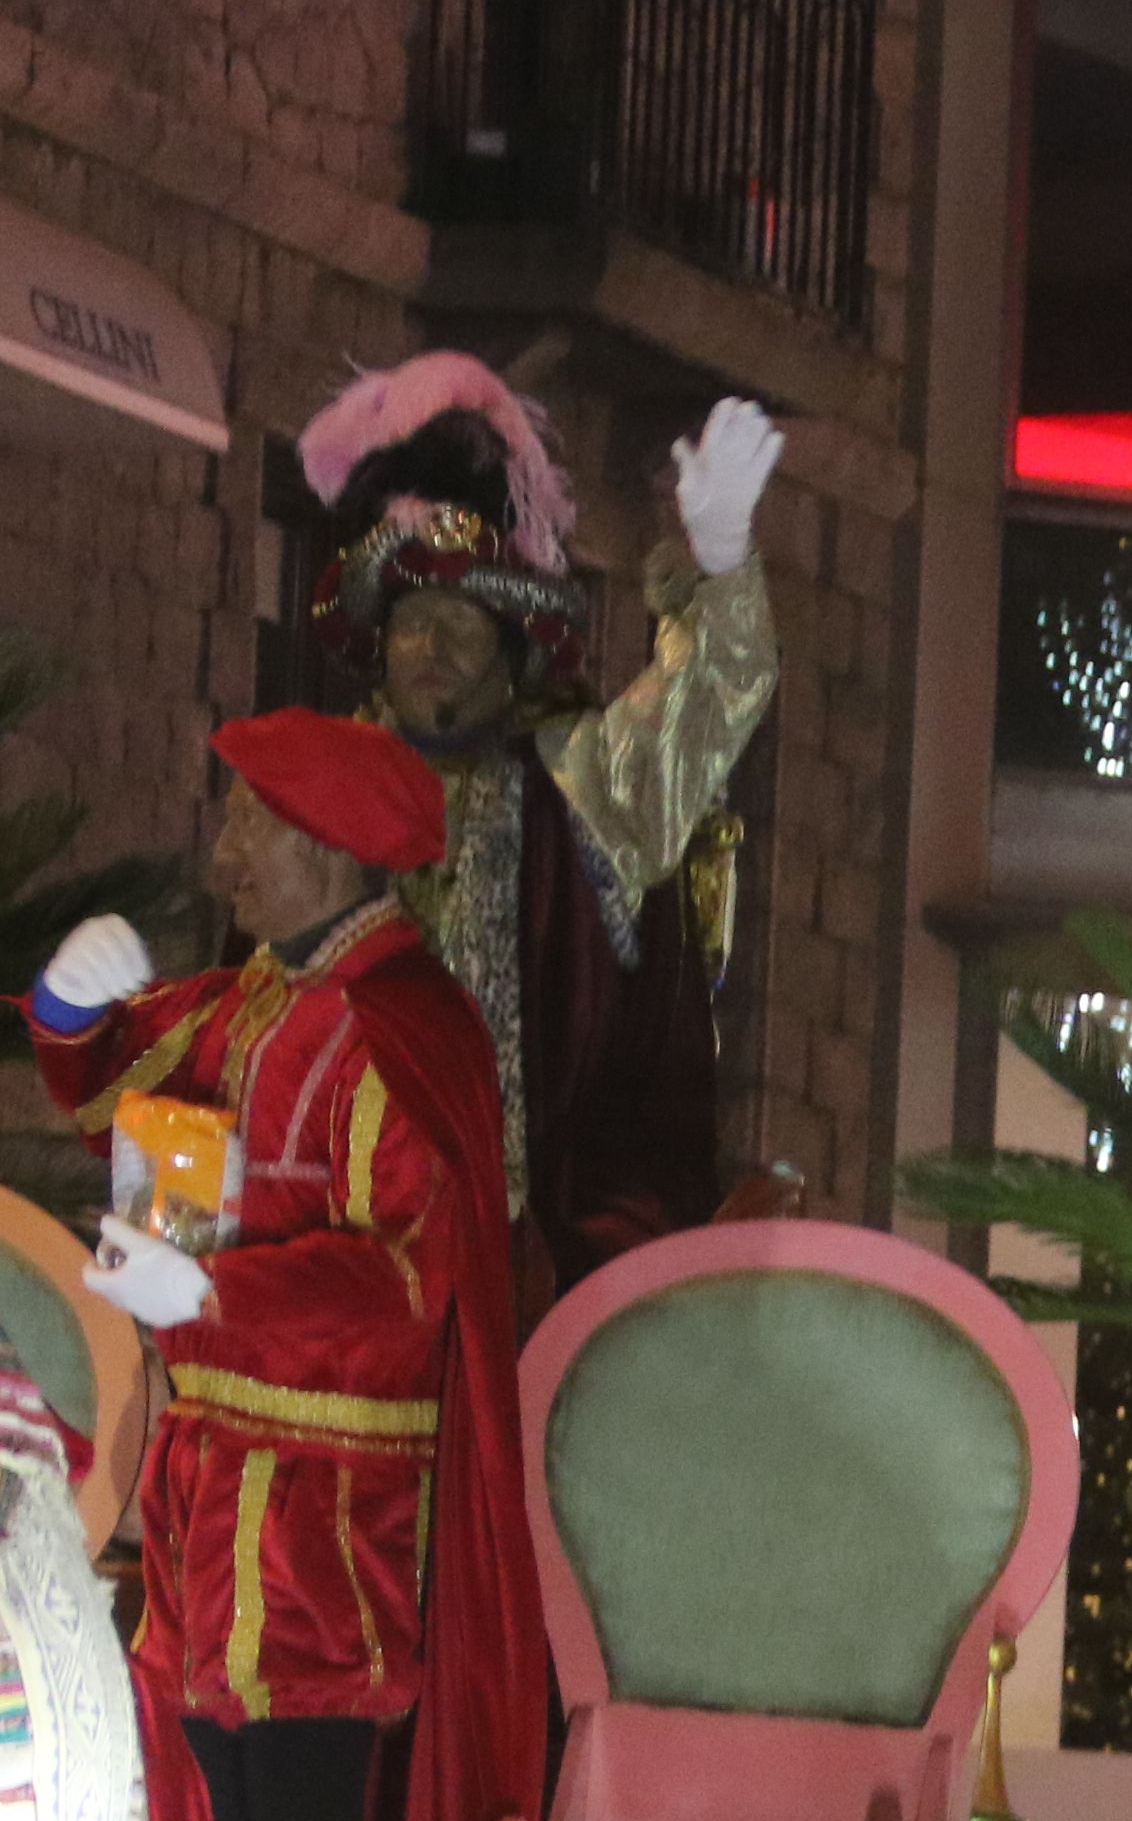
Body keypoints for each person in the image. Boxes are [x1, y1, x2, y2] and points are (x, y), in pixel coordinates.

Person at [29, 711, 547, 1821]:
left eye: (253, 826)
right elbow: (102, 1079)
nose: (227, 853)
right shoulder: (258, 999)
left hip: (328, 1513)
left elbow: (413, 1279)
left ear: (327, 848)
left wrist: (217, 1293)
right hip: (209, 1491)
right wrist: (67, 1008)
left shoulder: (404, 1029)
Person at [293, 356, 793, 1298]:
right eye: (409, 620)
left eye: (461, 621)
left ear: (512, 651)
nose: (430, 646)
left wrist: (718, 564)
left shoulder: (578, 790)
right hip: (327, 1265)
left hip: (513, 1283)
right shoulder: (316, 805)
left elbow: (701, 715)